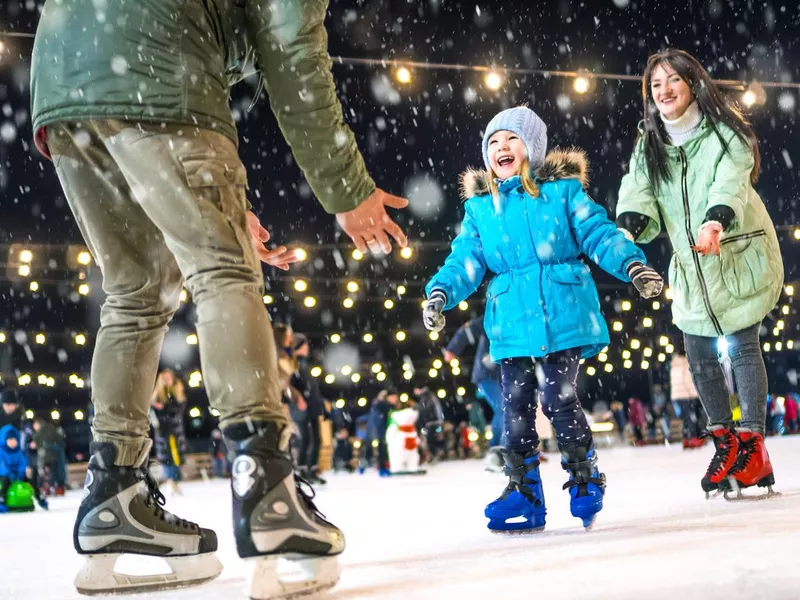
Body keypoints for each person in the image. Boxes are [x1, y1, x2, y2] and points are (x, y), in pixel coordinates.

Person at [31, 1, 408, 595]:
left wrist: (224, 207)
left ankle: (114, 493)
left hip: (65, 75)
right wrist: (346, 186)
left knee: (134, 294)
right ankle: (266, 487)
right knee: (223, 273)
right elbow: (292, 54)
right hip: (153, 68)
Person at [422, 106, 663, 533]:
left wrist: (631, 265)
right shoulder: (481, 209)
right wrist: (441, 291)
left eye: (511, 139)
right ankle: (525, 491)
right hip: (512, 322)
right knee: (514, 407)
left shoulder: (563, 193)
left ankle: (585, 477)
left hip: (561, 314)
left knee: (557, 399)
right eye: (493, 142)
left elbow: (599, 233)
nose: (501, 147)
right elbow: (465, 260)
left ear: (531, 148)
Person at [615, 49, 784, 499]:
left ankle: (753, 445)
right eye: (656, 85)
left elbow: (731, 177)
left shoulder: (724, 132)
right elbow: (638, 187)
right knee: (699, 353)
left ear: (692, 83)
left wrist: (716, 219)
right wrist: (627, 228)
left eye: (673, 80)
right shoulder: (650, 144)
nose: (664, 91)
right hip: (691, 265)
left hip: (733, 251)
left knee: (744, 346)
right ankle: (725, 444)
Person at [443, 318, 504, 470]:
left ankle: (514, 449)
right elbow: (469, 328)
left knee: (512, 409)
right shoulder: (496, 314)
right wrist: (453, 349)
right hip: (487, 373)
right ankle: (495, 451)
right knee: (503, 409)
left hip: (505, 373)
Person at [291, 335, 327, 485]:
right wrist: (299, 398)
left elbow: (312, 387)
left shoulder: (304, 364)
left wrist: (321, 406)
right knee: (305, 439)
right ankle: (302, 470)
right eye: (304, 346)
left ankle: (311, 469)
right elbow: (292, 385)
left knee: (316, 438)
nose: (307, 349)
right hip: (302, 407)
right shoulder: (293, 364)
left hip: (312, 406)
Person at [150, 371, 189, 496]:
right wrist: (159, 409)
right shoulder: (157, 395)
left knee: (176, 457)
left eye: (169, 377)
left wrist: (164, 408)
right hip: (162, 432)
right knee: (166, 458)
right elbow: (153, 412)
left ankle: (174, 481)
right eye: (164, 378)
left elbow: (177, 410)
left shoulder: (177, 393)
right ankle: (171, 481)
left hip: (175, 431)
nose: (167, 380)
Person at [0, 424, 48, 513]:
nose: (12, 442)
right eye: (10, 440)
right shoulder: (1, 451)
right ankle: (2, 500)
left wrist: (20, 473)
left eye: (14, 440)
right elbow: (2, 465)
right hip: (4, 474)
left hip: (17, 474)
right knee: (5, 483)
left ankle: (40, 498)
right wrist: (8, 473)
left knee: (30, 481)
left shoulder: (19, 451)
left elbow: (22, 463)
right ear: (5, 441)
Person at [670, 351, 706, 449]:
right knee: (692, 418)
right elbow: (688, 381)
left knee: (686, 419)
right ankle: (694, 439)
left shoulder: (674, 365)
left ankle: (686, 439)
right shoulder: (685, 364)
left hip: (677, 396)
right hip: (687, 395)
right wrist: (694, 394)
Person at [32, 417, 68, 496]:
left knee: (48, 474)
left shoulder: (40, 433)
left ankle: (49, 488)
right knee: (56, 473)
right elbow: (60, 440)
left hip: (46, 457)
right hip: (56, 456)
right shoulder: (52, 429)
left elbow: (37, 444)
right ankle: (59, 488)